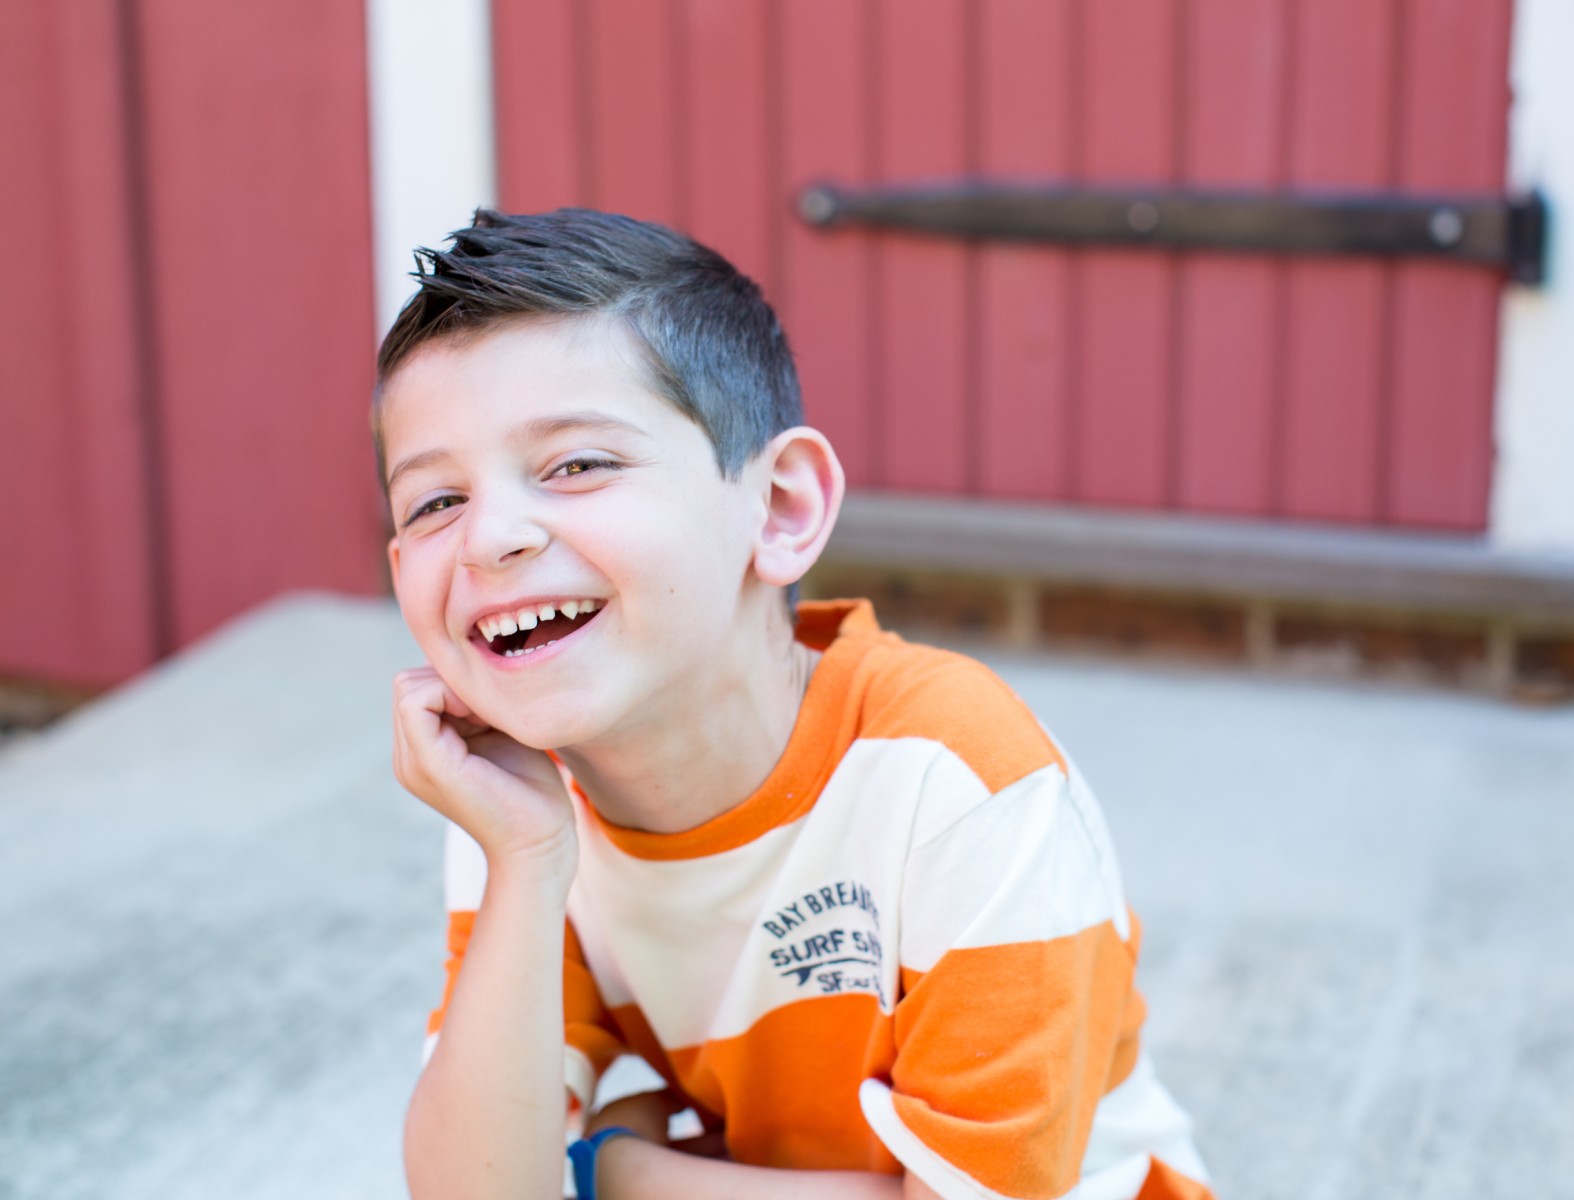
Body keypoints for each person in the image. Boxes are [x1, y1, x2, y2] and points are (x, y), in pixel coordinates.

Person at [376, 208, 1211, 1200]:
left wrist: (621, 1172)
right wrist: (522, 861)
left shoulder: (952, 777)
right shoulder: (516, 799)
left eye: (576, 465)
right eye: (434, 502)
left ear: (779, 509)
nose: (488, 539)